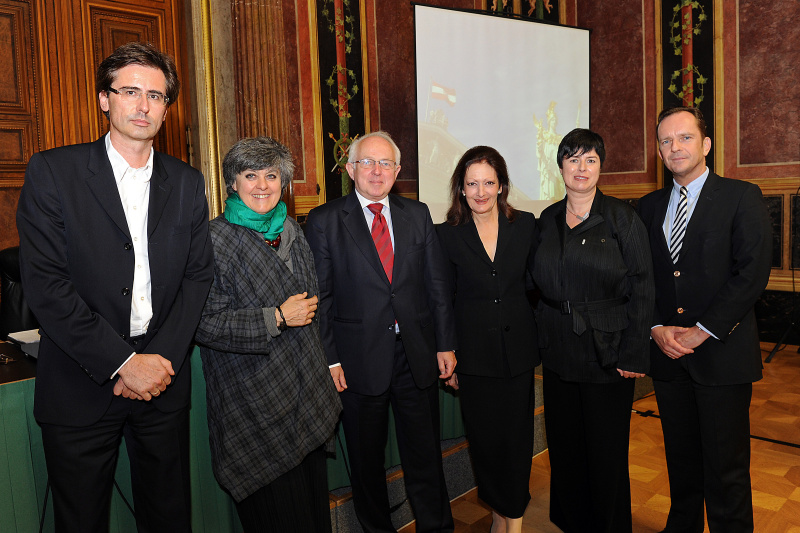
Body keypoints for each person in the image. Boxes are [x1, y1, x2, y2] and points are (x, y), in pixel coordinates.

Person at [16, 42, 214, 532]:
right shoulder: (53, 172)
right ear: (105, 99)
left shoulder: (188, 182)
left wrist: (157, 362)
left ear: (168, 107)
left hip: (163, 383)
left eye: (156, 95)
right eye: (130, 91)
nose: (143, 105)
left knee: (169, 518)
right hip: (80, 383)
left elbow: (197, 276)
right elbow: (46, 286)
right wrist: (124, 363)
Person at [305, 131, 458, 532]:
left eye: (386, 163)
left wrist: (445, 344)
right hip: (356, 362)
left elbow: (437, 286)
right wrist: (330, 358)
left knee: (425, 456)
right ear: (351, 169)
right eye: (368, 163)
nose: (377, 171)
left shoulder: (418, 214)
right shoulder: (324, 220)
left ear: (398, 171)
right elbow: (321, 297)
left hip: (416, 355)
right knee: (366, 462)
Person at [195, 136, 342, 531]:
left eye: (271, 175)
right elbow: (204, 323)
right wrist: (275, 317)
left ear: (284, 182)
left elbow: (313, 306)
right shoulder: (213, 239)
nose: (262, 185)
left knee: (313, 521)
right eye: (250, 175)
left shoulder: (292, 230)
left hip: (307, 400)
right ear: (233, 183)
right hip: (253, 408)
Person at [637, 107, 772, 533]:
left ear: (706, 144)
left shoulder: (741, 196)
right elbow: (641, 276)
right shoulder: (646, 207)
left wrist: (702, 331)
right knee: (681, 463)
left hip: (721, 355)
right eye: (665, 141)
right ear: (658, 151)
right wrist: (656, 326)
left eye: (684, 138)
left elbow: (751, 274)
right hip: (668, 357)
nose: (674, 147)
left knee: (726, 469)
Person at [533, 128, 654, 532]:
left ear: (601, 166)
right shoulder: (546, 219)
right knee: (565, 447)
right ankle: (573, 523)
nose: (580, 168)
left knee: (605, 450)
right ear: (560, 166)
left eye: (590, 159)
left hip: (609, 351)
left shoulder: (624, 218)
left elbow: (642, 285)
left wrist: (635, 352)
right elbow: (533, 283)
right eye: (572, 158)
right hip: (558, 350)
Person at [435, 146, 539, 533]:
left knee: (516, 442)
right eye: (472, 183)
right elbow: (442, 298)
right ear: (460, 189)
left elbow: (535, 285)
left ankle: (513, 520)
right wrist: (448, 352)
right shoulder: (445, 235)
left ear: (502, 186)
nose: (480, 192)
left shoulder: (526, 224)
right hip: (473, 357)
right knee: (486, 444)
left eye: (488, 183)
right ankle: (499, 511)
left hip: (518, 353)